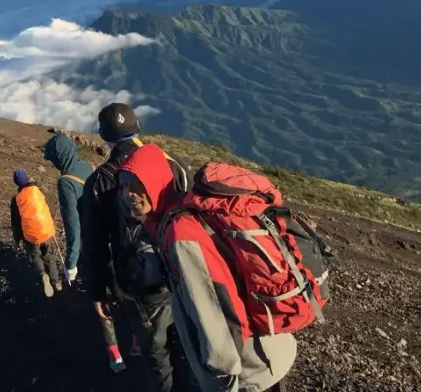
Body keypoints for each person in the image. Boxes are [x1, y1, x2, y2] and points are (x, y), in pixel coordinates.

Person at [118, 144, 298, 392]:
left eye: (136, 184)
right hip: (268, 349)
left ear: (154, 182)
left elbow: (212, 309)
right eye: (123, 186)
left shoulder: (180, 234)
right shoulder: (182, 211)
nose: (128, 194)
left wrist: (222, 382)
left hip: (248, 367)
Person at [81, 102, 182, 385]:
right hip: (181, 266)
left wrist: (98, 290)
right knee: (187, 335)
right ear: (137, 127)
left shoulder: (101, 180)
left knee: (157, 352)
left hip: (142, 280)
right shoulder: (170, 160)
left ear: (105, 137)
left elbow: (95, 243)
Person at [43, 133, 93, 285]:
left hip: (91, 242)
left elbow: (73, 224)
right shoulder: (90, 166)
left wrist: (71, 264)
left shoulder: (66, 182)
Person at [10, 169, 63, 297]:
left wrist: (17, 239)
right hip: (47, 230)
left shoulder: (17, 199)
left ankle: (42, 274)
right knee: (49, 255)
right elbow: (52, 208)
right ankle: (55, 281)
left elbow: (16, 223)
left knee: (35, 256)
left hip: (31, 235)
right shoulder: (39, 191)